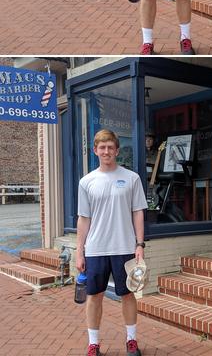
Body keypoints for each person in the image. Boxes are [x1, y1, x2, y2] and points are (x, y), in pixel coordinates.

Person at [76, 129, 148, 356]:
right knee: (94, 296)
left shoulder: (131, 178)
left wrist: (139, 244)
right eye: (102, 147)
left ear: (117, 150)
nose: (106, 151)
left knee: (127, 295)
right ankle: (93, 344)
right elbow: (83, 219)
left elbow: (138, 213)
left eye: (110, 147)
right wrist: (80, 252)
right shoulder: (86, 182)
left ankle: (131, 340)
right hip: (96, 249)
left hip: (125, 247)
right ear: (95, 150)